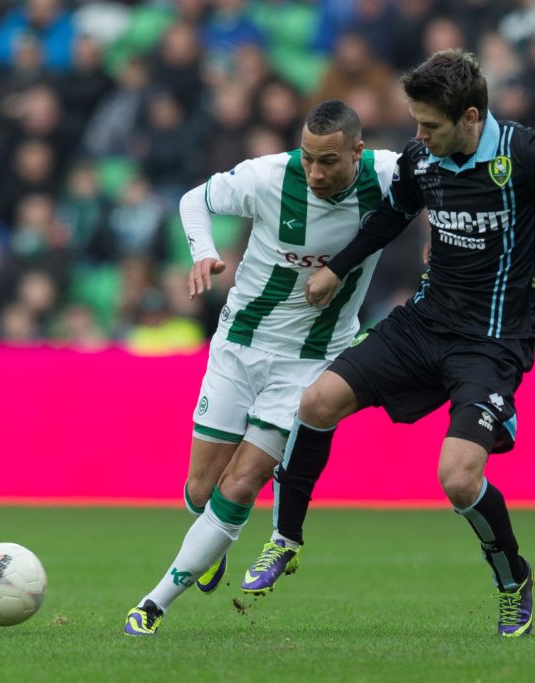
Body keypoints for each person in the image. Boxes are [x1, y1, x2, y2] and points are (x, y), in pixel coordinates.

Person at [235, 49, 535, 638]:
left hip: (492, 341)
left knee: (458, 478)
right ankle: (285, 538)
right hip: (424, 322)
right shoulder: (423, 160)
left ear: (470, 117)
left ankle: (512, 578)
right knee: (316, 402)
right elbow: (391, 217)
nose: (418, 136)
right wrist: (338, 268)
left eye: (430, 125)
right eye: (416, 122)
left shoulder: (526, 154)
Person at [123, 100, 399, 636]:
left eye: (328, 161)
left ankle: (153, 605)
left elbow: (449, 181)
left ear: (357, 153)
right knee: (201, 490)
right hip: (239, 345)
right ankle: (211, 541)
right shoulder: (268, 176)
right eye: (308, 157)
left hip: (310, 361)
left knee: (243, 483)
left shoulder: (388, 176)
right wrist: (202, 252)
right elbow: (193, 200)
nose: (314, 172)